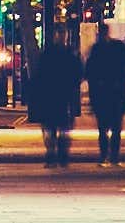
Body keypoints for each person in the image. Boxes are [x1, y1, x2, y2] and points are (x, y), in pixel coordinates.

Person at [23, 30, 83, 165]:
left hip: (53, 95)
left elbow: (40, 75)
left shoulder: (49, 53)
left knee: (53, 128)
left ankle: (54, 155)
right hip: (61, 95)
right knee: (60, 128)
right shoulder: (68, 54)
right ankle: (60, 155)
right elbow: (78, 73)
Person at [82, 30, 125, 165]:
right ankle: (112, 156)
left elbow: (88, 72)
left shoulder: (97, 49)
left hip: (104, 93)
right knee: (113, 127)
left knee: (105, 128)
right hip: (114, 92)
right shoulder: (116, 47)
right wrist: (122, 79)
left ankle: (106, 156)